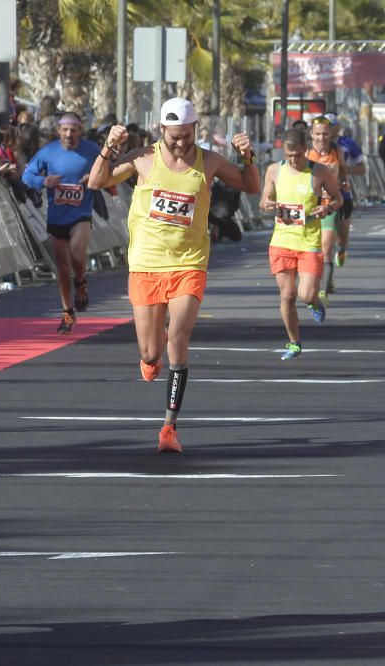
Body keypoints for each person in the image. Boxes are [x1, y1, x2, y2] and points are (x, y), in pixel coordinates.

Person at [87, 97, 260, 453]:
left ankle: (169, 429)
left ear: (195, 129)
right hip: (146, 265)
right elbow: (96, 182)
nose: (180, 143)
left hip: (189, 264)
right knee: (151, 353)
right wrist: (109, 147)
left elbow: (250, 186)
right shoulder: (142, 158)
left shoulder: (208, 161)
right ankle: (153, 353)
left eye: (186, 135)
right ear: (161, 131)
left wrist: (248, 157)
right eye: (174, 136)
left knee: (178, 338)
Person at [259, 128, 342, 360]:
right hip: (282, 240)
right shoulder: (275, 170)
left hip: (308, 241)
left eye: (297, 154)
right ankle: (294, 342)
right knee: (287, 295)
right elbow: (264, 199)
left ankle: (314, 303)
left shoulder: (319, 172)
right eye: (289, 155)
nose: (293, 159)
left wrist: (327, 207)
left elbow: (338, 199)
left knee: (305, 294)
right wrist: (268, 203)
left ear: (306, 150)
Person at [22, 113, 100, 333]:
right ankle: (68, 312)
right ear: (58, 131)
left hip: (81, 213)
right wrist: (43, 180)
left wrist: (93, 178)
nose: (69, 134)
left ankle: (81, 283)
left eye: (73, 130)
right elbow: (27, 175)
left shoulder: (92, 150)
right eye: (65, 130)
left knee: (76, 255)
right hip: (57, 216)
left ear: (80, 130)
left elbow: (108, 171)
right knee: (62, 266)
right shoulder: (48, 152)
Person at [306, 115, 347, 300]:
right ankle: (319, 282)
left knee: (327, 246)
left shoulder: (337, 150)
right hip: (310, 204)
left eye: (325, 134)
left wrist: (344, 181)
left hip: (330, 201)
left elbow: (344, 168)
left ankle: (322, 291)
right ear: (311, 134)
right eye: (318, 134)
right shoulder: (306, 152)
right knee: (312, 249)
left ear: (331, 134)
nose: (321, 138)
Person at [335, 125, 366, 269]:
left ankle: (341, 249)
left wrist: (344, 170)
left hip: (342, 194)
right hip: (319, 198)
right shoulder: (309, 147)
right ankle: (327, 278)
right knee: (324, 243)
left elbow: (362, 168)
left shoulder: (346, 145)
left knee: (342, 238)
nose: (322, 136)